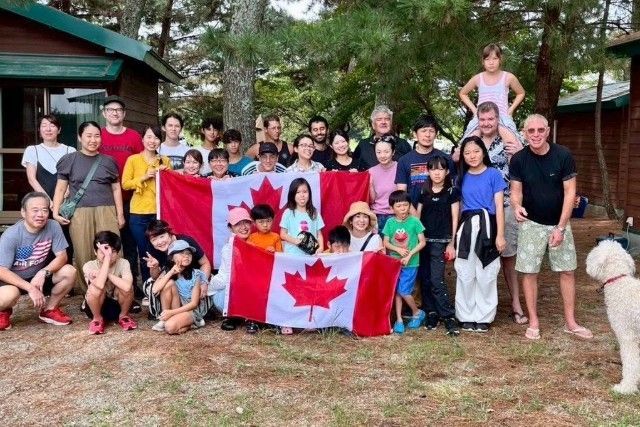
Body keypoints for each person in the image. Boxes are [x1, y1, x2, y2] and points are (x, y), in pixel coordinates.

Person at [510, 114, 592, 340]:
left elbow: (570, 193)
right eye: (531, 131)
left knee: (567, 270)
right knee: (529, 272)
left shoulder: (563, 155)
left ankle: (571, 322)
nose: (535, 134)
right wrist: (516, 206)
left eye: (540, 130)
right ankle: (534, 321)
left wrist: (562, 227)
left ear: (547, 131)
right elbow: (515, 191)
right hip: (531, 224)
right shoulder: (518, 159)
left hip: (559, 222)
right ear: (524, 133)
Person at [453, 101, 527, 325]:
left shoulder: (507, 139)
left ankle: (515, 303)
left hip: (503, 204)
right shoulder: (469, 143)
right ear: (477, 120)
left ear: (498, 119)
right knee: (471, 261)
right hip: (473, 211)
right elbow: (456, 159)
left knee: (506, 255)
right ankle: (469, 310)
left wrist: (511, 138)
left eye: (491, 119)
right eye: (482, 119)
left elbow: (523, 160)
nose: (486, 123)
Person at [52, 121, 124, 292]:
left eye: (97, 136)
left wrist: (120, 214)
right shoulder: (69, 160)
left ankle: (114, 290)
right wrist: (55, 211)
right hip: (80, 212)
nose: (93, 140)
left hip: (106, 209)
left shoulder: (109, 161)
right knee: (83, 250)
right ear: (79, 137)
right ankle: (89, 292)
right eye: (88, 135)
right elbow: (61, 188)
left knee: (111, 249)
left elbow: (116, 189)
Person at [0, 192, 76, 330]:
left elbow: (62, 256)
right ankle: (3, 311)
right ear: (23, 212)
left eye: (44, 210)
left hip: (37, 277)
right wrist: (29, 288)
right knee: (10, 294)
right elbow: (2, 270)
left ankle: (49, 310)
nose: (40, 214)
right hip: (12, 281)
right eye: (35, 210)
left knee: (69, 271)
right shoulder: (11, 235)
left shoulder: (53, 226)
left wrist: (43, 273)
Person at [454, 136, 506, 334]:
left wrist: (500, 234)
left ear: (483, 152)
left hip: (488, 226)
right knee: (466, 272)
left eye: (476, 151)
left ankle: (483, 316)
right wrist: (454, 238)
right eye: (467, 153)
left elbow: (499, 207)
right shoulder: (461, 177)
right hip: (466, 227)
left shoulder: (493, 174)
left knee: (486, 272)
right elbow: (457, 209)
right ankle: (466, 315)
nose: (472, 156)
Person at [99, 96, 143, 285]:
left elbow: (142, 162)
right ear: (104, 113)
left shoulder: (133, 136)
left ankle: (131, 284)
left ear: (124, 113)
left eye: (118, 110)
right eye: (110, 110)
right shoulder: (97, 135)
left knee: (130, 243)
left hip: (131, 198)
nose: (114, 113)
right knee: (106, 242)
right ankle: (105, 283)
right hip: (103, 198)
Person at [416, 156, 460, 336]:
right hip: (423, 241)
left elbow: (455, 218)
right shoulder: (423, 191)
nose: (437, 172)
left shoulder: (452, 192)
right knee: (425, 279)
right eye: (433, 169)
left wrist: (451, 243)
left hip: (441, 242)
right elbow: (417, 218)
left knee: (437, 279)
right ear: (428, 171)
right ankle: (431, 312)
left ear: (447, 172)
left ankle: (448, 315)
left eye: (441, 169)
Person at [21, 114, 76, 260]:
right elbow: (32, 179)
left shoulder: (70, 150)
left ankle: (66, 276)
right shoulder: (33, 150)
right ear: (39, 130)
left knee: (65, 240)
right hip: (41, 203)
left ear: (59, 130)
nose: (48, 129)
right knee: (42, 240)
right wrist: (48, 202)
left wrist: (67, 192)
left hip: (65, 204)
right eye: (44, 125)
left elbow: (73, 178)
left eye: (52, 125)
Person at [122, 125, 171, 285]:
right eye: (149, 137)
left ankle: (163, 283)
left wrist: (164, 175)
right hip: (138, 213)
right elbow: (125, 184)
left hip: (158, 212)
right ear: (142, 139)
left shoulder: (165, 161)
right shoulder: (133, 159)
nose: (152, 141)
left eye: (156, 138)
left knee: (161, 248)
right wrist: (143, 178)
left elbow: (170, 187)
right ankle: (147, 284)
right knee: (144, 250)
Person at [142, 220, 212, 320]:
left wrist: (203, 282)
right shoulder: (154, 249)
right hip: (172, 276)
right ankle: (162, 311)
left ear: (170, 233)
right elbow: (155, 277)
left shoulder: (186, 241)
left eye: (162, 236)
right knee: (150, 284)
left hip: (191, 277)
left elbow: (205, 263)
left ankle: (200, 310)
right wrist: (154, 267)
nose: (159, 242)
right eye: (154, 239)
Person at [459, 43, 525, 142]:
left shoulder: (508, 77)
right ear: (483, 61)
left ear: (500, 59)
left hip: (502, 117)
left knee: (512, 142)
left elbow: (521, 93)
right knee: (468, 142)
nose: (491, 62)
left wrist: (510, 110)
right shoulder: (478, 78)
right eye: (487, 59)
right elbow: (462, 93)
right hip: (482, 118)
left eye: (495, 59)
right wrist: (474, 110)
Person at [383, 190, 426, 334]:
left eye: (405, 205)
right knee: (397, 291)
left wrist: (409, 255)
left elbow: (422, 242)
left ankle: (417, 312)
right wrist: (398, 250)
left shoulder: (414, 221)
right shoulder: (390, 222)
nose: (403, 208)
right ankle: (399, 319)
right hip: (395, 263)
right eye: (399, 206)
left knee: (404, 290)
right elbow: (386, 242)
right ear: (391, 208)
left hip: (411, 263)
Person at [209, 207, 258, 333]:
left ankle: (250, 316)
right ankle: (234, 316)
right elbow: (227, 276)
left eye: (246, 222)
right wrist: (210, 286)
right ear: (231, 228)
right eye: (238, 224)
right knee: (223, 296)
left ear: (251, 224)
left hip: (253, 290)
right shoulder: (228, 248)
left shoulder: (258, 242)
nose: (243, 227)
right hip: (232, 287)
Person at [150, 240, 212, 334]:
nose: (186, 256)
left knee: (170, 327)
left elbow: (194, 304)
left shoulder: (195, 274)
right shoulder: (168, 271)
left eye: (188, 254)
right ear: (171, 258)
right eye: (181, 253)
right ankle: (164, 319)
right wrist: (171, 273)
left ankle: (192, 323)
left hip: (190, 310)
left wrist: (171, 313)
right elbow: (155, 289)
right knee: (169, 283)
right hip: (176, 307)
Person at [82, 231, 137, 334]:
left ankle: (124, 316)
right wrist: (107, 259)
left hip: (118, 305)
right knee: (95, 288)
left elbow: (127, 287)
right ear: (95, 251)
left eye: (113, 251)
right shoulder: (89, 266)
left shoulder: (123, 263)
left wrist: (107, 274)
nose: (108, 254)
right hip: (97, 307)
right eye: (103, 251)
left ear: (118, 253)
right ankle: (97, 319)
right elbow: (99, 285)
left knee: (127, 287)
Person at [395, 115, 456, 207]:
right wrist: (414, 216)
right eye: (423, 131)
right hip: (413, 214)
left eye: (431, 131)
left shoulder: (446, 158)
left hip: (441, 213)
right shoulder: (404, 160)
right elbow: (401, 193)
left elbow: (452, 189)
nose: (428, 135)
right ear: (415, 134)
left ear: (436, 134)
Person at [353, 105, 412, 170]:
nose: (383, 122)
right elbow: (354, 167)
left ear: (391, 123)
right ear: (373, 125)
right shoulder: (363, 145)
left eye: (387, 119)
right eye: (379, 119)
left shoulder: (403, 144)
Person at [280, 177, 325, 257]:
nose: (302, 195)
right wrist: (296, 241)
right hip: (292, 255)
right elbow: (283, 234)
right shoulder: (288, 213)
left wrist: (321, 247)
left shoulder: (315, 212)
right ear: (292, 194)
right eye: (298, 192)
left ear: (309, 193)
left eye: (305, 192)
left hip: (310, 256)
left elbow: (319, 234)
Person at [368, 135, 397, 232]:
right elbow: (371, 201)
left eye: (386, 151)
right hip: (376, 216)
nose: (382, 155)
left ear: (393, 152)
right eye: (379, 152)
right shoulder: (371, 171)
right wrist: (370, 186)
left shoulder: (400, 168)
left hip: (396, 215)